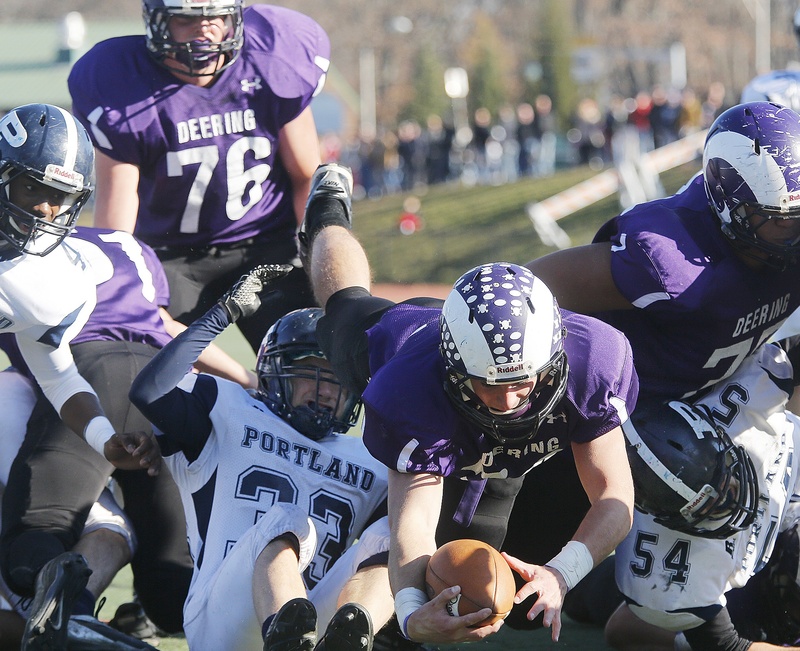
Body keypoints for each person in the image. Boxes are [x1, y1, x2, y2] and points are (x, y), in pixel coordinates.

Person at [296, 163, 638, 644]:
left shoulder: (595, 361)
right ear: (454, 369)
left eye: (522, 381)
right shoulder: (410, 389)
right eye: (488, 384)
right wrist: (413, 610)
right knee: (343, 302)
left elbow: (615, 496)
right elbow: (411, 523)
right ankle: (328, 211)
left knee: (487, 572)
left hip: (488, 435)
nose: (508, 398)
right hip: (396, 340)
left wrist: (562, 573)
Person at [505, 101, 800, 634]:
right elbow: (528, 292)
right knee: (518, 597)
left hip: (733, 391)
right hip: (630, 423)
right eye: (782, 223)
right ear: (734, 210)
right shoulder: (673, 260)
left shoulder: (778, 238)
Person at [0, 222, 259, 648]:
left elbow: (56, 368)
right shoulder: (129, 246)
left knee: (32, 549)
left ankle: (69, 621)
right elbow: (165, 326)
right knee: (173, 594)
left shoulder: (26, 255)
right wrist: (249, 381)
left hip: (87, 370)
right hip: (165, 385)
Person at [129, 272, 394, 651]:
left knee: (391, 535)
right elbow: (150, 391)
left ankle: (354, 639)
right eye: (308, 374)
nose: (322, 391)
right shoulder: (229, 410)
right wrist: (222, 314)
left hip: (317, 620)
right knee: (287, 518)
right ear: (274, 371)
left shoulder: (369, 460)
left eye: (334, 380)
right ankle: (287, 639)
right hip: (222, 617)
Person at [67, 0, 330, 352]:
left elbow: (306, 178)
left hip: (266, 244)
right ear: (159, 23)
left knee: (313, 358)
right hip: (172, 255)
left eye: (217, 17)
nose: (205, 29)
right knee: (132, 355)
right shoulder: (122, 85)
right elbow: (117, 221)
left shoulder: (272, 61)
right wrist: (119, 286)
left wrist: (319, 262)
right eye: (187, 19)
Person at [605, 341, 800, 650]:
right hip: (736, 571)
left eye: (726, 485)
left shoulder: (750, 391)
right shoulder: (662, 565)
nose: (731, 504)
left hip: (783, 470)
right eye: (710, 508)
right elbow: (724, 645)